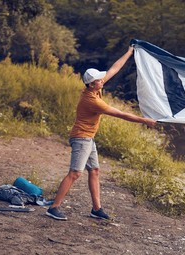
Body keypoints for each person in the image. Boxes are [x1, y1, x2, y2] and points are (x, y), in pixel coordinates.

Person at [46, 46, 157, 221]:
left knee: (95, 171)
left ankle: (96, 209)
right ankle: (54, 207)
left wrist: (129, 52)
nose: (102, 80)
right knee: (75, 173)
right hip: (81, 138)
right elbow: (121, 114)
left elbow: (114, 68)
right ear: (91, 84)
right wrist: (146, 120)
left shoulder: (94, 88)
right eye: (99, 80)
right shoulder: (92, 100)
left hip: (88, 138)